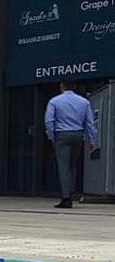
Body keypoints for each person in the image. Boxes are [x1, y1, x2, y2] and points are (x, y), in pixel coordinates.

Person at [45, 81, 98, 209]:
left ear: (62, 86)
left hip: (62, 135)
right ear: (74, 87)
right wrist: (92, 140)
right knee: (73, 165)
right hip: (78, 135)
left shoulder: (54, 101)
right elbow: (90, 123)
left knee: (63, 166)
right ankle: (71, 190)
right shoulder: (83, 102)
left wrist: (52, 137)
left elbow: (49, 121)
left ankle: (66, 197)